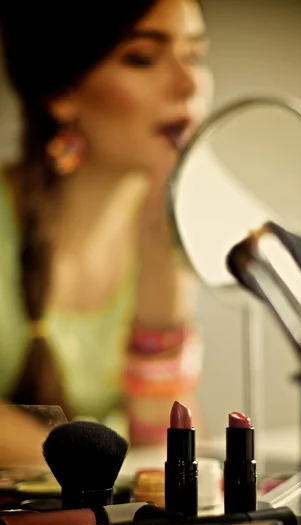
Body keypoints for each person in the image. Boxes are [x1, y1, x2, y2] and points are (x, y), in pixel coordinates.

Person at [0, 0, 214, 467]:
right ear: (62, 92)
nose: (190, 83)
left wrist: (162, 260)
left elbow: (159, 437)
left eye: (196, 54)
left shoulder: (164, 233)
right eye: (142, 58)